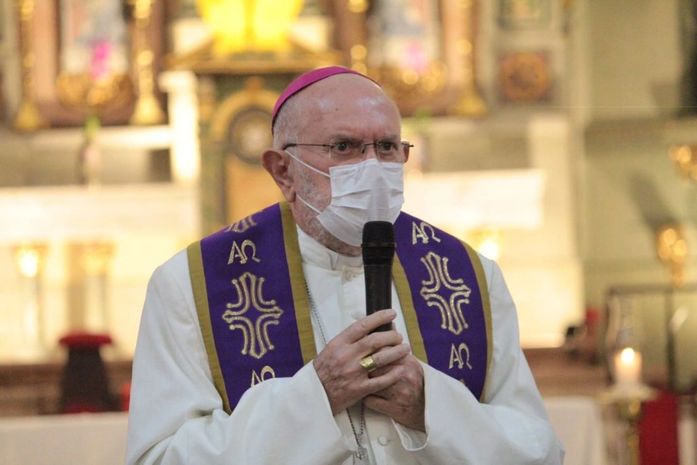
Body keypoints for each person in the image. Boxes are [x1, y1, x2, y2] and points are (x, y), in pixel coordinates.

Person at [126, 66, 564, 465]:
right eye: (344, 147)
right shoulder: (193, 284)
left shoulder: (466, 276)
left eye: (387, 147)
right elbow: (159, 459)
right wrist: (315, 395)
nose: (372, 167)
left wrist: (430, 407)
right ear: (283, 171)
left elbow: (538, 451)